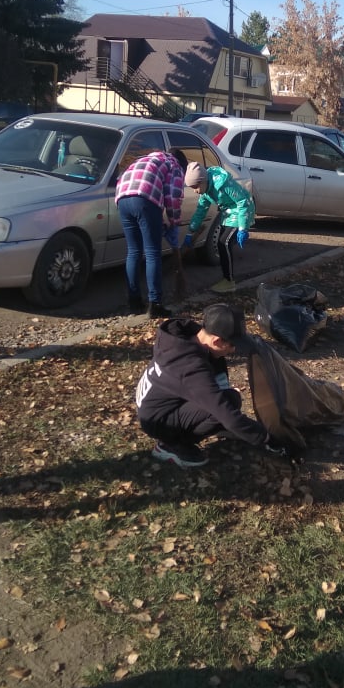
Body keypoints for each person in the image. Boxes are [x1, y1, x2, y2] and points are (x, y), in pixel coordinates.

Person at [135, 303, 282, 467]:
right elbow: (224, 411)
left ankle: (218, 426)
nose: (233, 350)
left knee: (230, 397)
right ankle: (170, 445)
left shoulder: (193, 337)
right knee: (223, 408)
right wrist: (267, 438)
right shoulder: (190, 367)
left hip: (163, 403)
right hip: (159, 421)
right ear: (217, 340)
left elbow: (221, 392)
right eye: (232, 345)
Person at [115, 149, 185, 318]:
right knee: (153, 253)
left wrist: (161, 222)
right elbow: (173, 197)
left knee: (133, 251)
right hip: (145, 199)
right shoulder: (174, 165)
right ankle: (155, 304)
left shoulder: (144, 159)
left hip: (122, 198)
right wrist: (174, 222)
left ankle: (134, 302)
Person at [182, 162, 256, 294]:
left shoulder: (224, 184)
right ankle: (226, 278)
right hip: (228, 213)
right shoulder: (205, 192)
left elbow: (242, 202)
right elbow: (200, 211)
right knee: (221, 244)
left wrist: (242, 228)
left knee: (224, 243)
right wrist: (190, 232)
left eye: (196, 187)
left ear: (203, 181)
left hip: (242, 211)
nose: (195, 190)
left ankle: (229, 281)